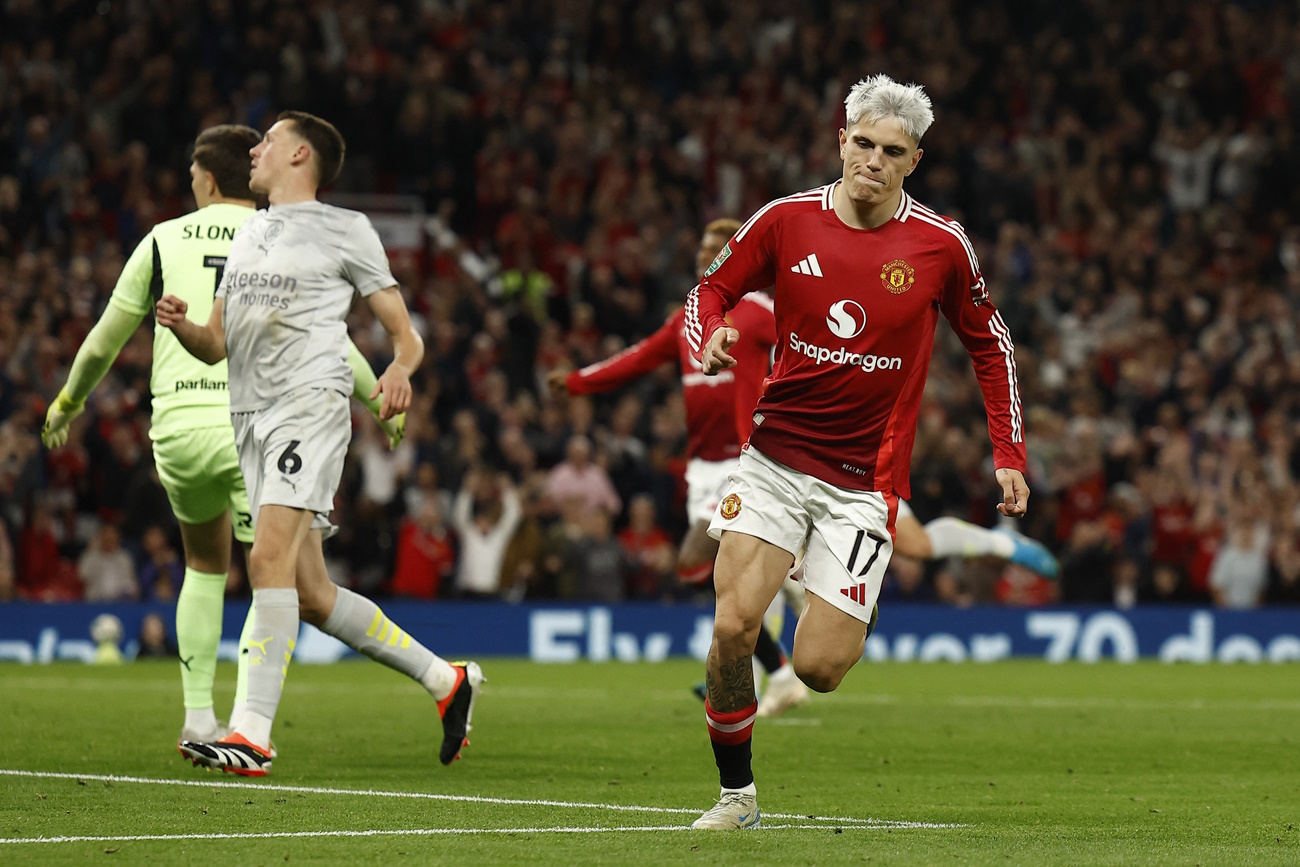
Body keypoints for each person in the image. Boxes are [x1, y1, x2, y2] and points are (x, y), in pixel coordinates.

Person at [684, 74, 1030, 829]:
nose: (873, 159)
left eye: (892, 151)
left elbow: (989, 342)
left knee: (819, 668)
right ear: (841, 140)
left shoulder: (941, 245)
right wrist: (704, 333)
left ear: (916, 161)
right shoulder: (784, 219)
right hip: (773, 459)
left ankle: (837, 578)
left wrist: (1008, 450)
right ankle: (736, 795)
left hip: (863, 483)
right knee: (733, 626)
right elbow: (709, 290)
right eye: (863, 142)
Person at [40, 124, 405, 749]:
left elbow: (105, 338)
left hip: (179, 428)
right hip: (253, 417)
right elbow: (331, 338)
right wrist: (377, 398)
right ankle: (248, 727)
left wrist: (67, 401)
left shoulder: (162, 240)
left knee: (204, 568)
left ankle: (197, 719)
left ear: (207, 180)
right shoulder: (278, 234)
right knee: (278, 575)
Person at [157, 111, 482, 776]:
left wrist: (397, 369)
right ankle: (447, 681)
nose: (256, 148)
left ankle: (250, 733)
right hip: (250, 412)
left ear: (300, 154)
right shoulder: (250, 237)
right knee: (309, 591)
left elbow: (406, 333)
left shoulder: (344, 231)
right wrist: (185, 326)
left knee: (266, 554)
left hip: (309, 404)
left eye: (268, 139)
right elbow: (216, 344)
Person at [548, 220, 811, 717]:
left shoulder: (760, 314)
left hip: (744, 461)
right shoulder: (687, 319)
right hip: (701, 469)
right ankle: (786, 616)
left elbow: (807, 354)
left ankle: (775, 664)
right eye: (703, 249)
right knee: (724, 576)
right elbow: (638, 358)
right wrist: (580, 382)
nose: (706, 257)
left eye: (720, 250)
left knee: (698, 562)